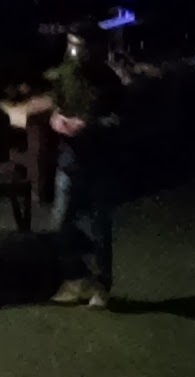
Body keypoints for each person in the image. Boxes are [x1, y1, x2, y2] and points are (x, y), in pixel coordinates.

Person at [42, 24, 127, 308]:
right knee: (60, 224)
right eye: (71, 44)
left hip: (101, 162)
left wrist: (89, 125)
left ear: (94, 47)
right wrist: (57, 120)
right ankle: (75, 279)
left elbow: (119, 120)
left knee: (100, 226)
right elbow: (57, 106)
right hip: (70, 159)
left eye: (79, 46)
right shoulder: (65, 74)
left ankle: (102, 285)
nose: (74, 51)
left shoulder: (109, 80)